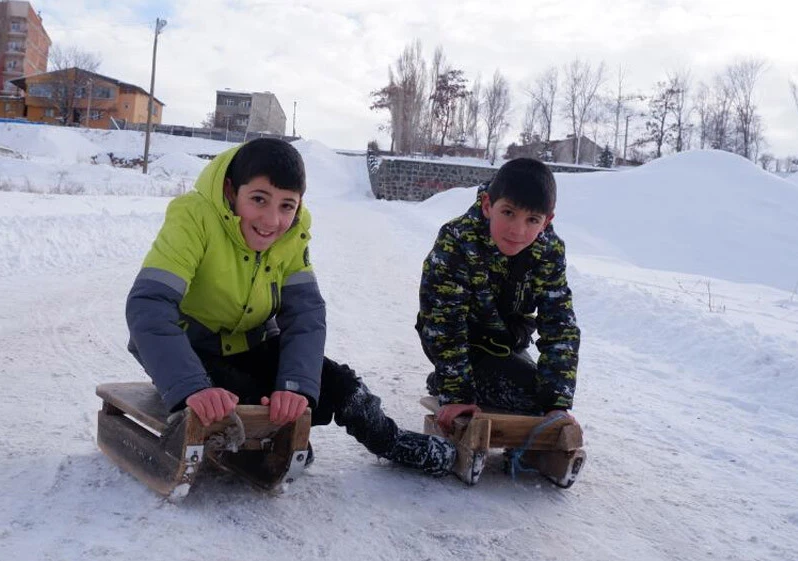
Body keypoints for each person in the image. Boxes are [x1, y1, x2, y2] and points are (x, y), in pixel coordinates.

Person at [125, 138, 456, 478]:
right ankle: (258, 446)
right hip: (193, 351)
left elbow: (306, 314)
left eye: (287, 205)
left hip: (251, 343)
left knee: (340, 384)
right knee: (243, 399)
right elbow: (149, 304)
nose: (272, 220)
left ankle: (390, 440)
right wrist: (191, 385)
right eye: (258, 200)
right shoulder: (193, 217)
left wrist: (295, 385)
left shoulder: (293, 233)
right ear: (230, 190)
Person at [416, 157, 581, 436]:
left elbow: (560, 324)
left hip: (506, 343)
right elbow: (444, 321)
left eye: (532, 220)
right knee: (524, 398)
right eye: (508, 213)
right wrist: (457, 395)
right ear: (487, 205)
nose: (518, 230)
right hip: (458, 340)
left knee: (540, 398)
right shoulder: (457, 240)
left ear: (546, 221)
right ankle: (445, 381)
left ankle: (479, 381)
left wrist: (557, 405)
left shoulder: (549, 251)